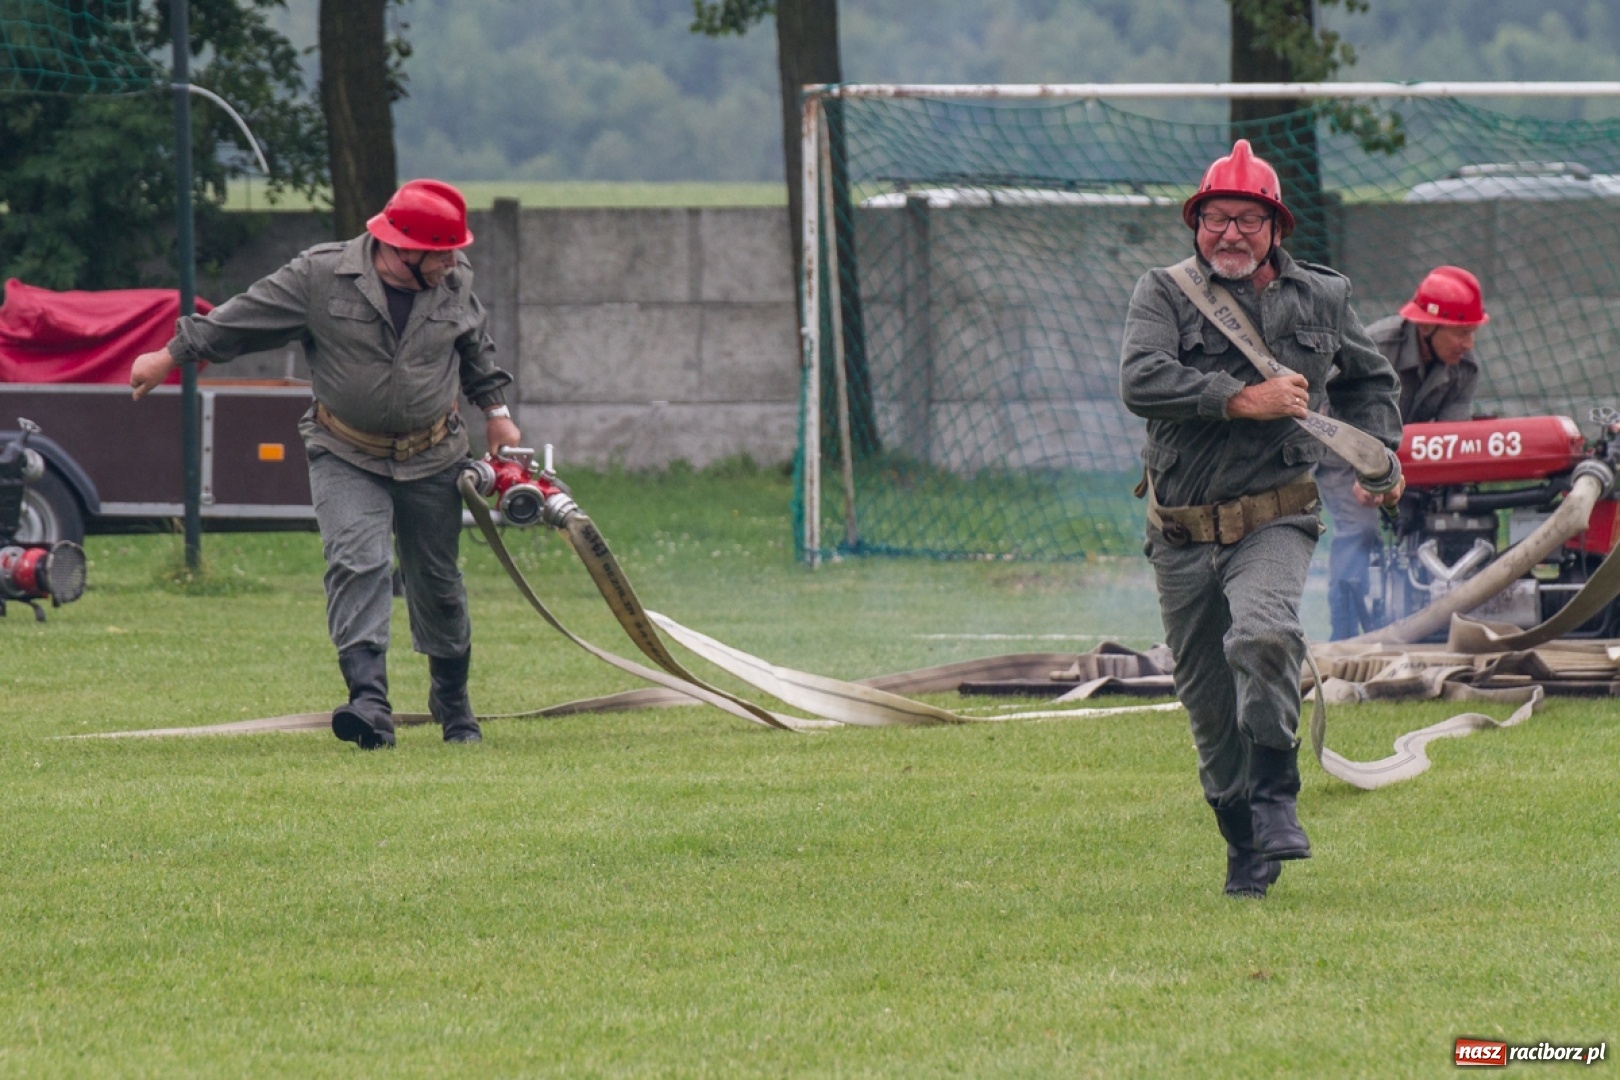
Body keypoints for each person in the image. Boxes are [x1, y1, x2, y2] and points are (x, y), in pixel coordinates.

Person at [130, 179, 522, 749]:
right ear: (403, 248)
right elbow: (242, 318)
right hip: (345, 451)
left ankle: (453, 703)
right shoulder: (319, 275)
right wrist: (168, 356)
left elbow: (475, 348)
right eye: (441, 251)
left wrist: (498, 413)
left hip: (434, 454)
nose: (453, 260)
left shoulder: (454, 281)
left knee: (437, 583)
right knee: (356, 559)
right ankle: (369, 702)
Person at [1119, 140, 1405, 899]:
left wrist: (1379, 458)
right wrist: (1239, 397)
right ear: (1197, 224)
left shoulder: (1323, 297)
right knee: (1211, 717)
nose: (1231, 234)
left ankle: (1278, 794)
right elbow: (1141, 379)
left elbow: (1373, 382)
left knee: (1265, 634)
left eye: (1249, 220)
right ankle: (1244, 839)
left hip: (1276, 517)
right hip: (1180, 530)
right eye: (1217, 218)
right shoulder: (1163, 292)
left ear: (1276, 228)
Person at [1321, 266, 1488, 639]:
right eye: (1461, 332)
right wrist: (1365, 472)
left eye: (1472, 333)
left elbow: (1448, 440)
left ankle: (1426, 628)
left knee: (1436, 521)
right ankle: (1345, 640)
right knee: (1360, 532)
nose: (1468, 344)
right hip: (1344, 453)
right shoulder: (1374, 348)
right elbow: (1335, 412)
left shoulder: (1465, 369)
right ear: (1428, 327)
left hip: (1409, 462)